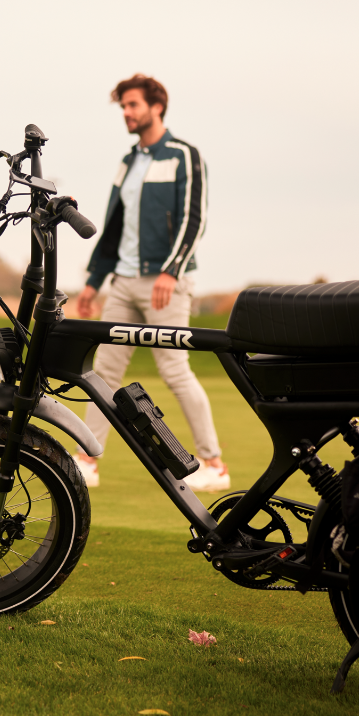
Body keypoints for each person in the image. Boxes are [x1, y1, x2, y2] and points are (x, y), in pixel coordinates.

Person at [73, 74, 229, 492]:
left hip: (166, 284)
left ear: (157, 106)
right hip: (123, 283)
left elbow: (194, 220)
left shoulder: (184, 156)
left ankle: (214, 464)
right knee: (103, 371)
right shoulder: (128, 162)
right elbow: (114, 226)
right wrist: (93, 281)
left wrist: (171, 269)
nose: (126, 113)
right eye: (123, 106)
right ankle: (87, 460)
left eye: (133, 105)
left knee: (174, 369)